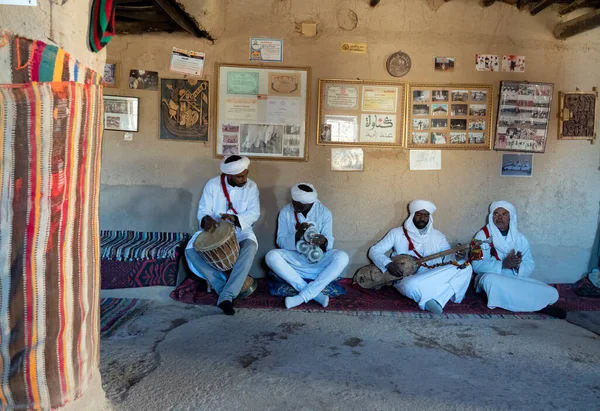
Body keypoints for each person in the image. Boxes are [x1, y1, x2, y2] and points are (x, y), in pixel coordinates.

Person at [185, 155, 260, 315]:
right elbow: (203, 210)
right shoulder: (212, 185)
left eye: (246, 174)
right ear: (229, 175)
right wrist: (207, 220)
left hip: (240, 230)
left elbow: (254, 213)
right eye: (240, 176)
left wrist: (236, 218)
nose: (244, 179)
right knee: (191, 249)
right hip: (215, 230)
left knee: (251, 246)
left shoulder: (251, 187)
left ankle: (226, 296)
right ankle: (222, 288)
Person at [368, 200, 472, 314]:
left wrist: (456, 256)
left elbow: (447, 259)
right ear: (412, 215)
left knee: (465, 266)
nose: (422, 218)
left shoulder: (438, 235)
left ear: (429, 217)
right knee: (410, 286)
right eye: (419, 214)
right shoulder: (397, 233)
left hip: (434, 274)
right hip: (409, 277)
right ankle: (436, 297)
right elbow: (374, 251)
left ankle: (431, 299)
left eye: (426, 215)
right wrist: (388, 264)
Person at [472, 201, 565, 318]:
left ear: (510, 217)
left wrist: (517, 265)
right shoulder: (481, 236)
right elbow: (476, 265)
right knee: (491, 280)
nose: (499, 217)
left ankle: (510, 300)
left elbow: (529, 264)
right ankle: (541, 307)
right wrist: (502, 265)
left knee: (552, 292)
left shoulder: (520, 238)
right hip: (492, 276)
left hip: (513, 278)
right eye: (496, 214)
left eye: (504, 214)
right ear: (491, 217)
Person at [265, 183, 349, 309]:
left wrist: (324, 241)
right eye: (294, 201)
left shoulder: (324, 212)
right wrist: (296, 236)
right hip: (296, 263)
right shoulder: (285, 212)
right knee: (271, 256)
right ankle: (315, 294)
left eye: (300, 204)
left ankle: (301, 296)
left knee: (342, 257)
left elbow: (329, 241)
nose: (295, 205)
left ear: (311, 202)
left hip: (318, 262)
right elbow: (280, 242)